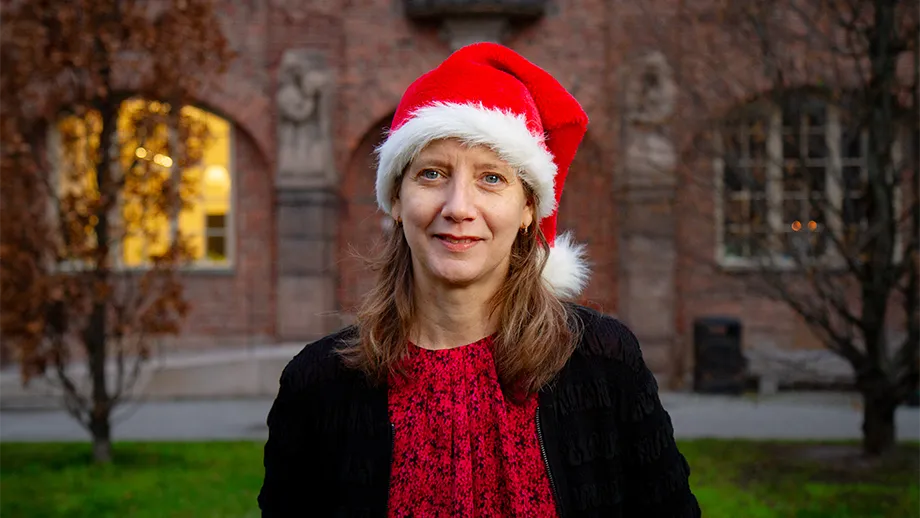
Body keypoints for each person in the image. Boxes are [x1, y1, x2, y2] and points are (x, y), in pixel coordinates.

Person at [258, 42, 700, 518]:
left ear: (529, 209)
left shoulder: (604, 363)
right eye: (432, 174)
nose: (459, 208)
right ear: (396, 201)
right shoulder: (317, 383)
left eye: (491, 178)